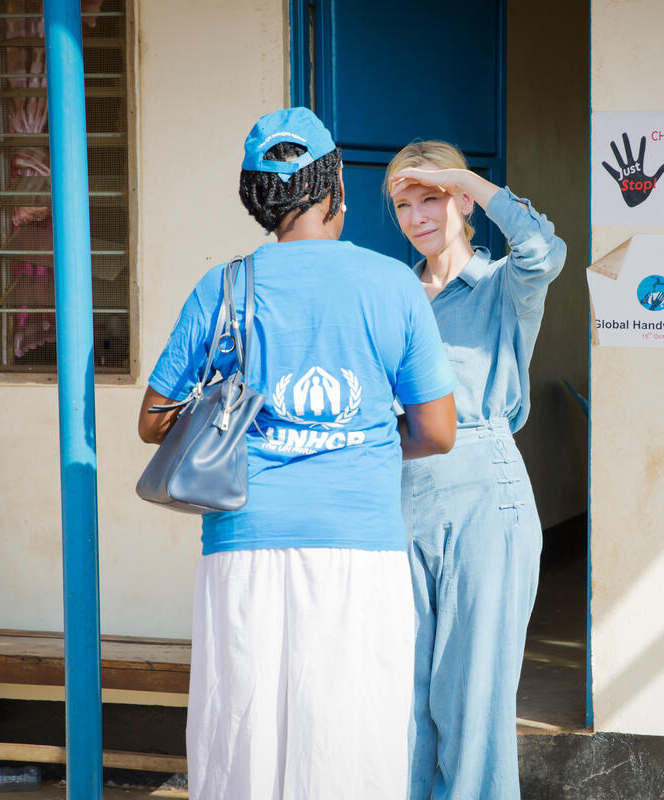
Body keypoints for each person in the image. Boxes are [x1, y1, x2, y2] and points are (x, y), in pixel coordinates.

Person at [138, 108, 457, 800]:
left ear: (261, 198)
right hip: (360, 547)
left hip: (242, 544)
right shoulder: (391, 284)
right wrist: (365, 439)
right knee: (350, 741)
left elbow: (153, 420)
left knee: (241, 739)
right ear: (333, 186)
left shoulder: (221, 288)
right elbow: (437, 430)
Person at [384, 142, 567, 800]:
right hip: (401, 497)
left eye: (428, 198)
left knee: (472, 700)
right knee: (403, 699)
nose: (414, 216)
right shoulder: (394, 295)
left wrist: (464, 178)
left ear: (460, 201)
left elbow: (544, 248)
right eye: (402, 204)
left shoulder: (499, 288)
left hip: (483, 499)